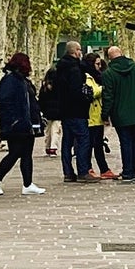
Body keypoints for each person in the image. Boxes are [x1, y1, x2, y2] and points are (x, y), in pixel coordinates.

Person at [0, 52, 44, 196]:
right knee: (15, 153)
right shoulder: (10, 80)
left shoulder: (22, 81)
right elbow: (5, 101)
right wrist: (15, 120)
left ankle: (28, 184)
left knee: (26, 154)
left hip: (27, 124)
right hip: (16, 124)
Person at [43, 39, 94, 183]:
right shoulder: (75, 69)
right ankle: (83, 171)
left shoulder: (60, 68)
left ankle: (68, 172)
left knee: (67, 141)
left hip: (64, 110)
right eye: (79, 50)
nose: (81, 53)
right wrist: (86, 97)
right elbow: (76, 91)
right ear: (75, 51)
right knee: (84, 139)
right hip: (77, 110)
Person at [102, 46, 135, 182]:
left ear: (109, 58)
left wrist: (105, 114)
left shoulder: (109, 73)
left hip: (119, 113)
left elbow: (108, 96)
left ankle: (127, 172)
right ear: (122, 54)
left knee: (125, 142)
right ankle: (133, 171)